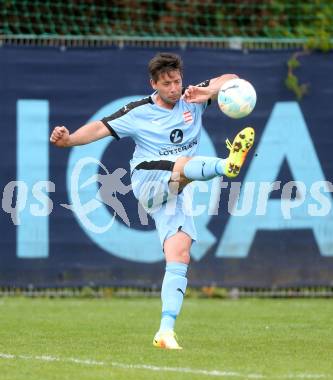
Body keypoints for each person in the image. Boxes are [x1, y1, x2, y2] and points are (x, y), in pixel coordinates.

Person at [50, 52, 255, 350]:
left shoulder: (192, 97)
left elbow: (232, 80)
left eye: (177, 81)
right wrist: (68, 140)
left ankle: (165, 332)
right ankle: (227, 165)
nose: (174, 87)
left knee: (180, 253)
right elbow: (99, 128)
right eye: (167, 83)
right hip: (147, 180)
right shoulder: (139, 111)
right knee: (184, 163)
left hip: (173, 190)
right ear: (153, 84)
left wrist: (208, 91)